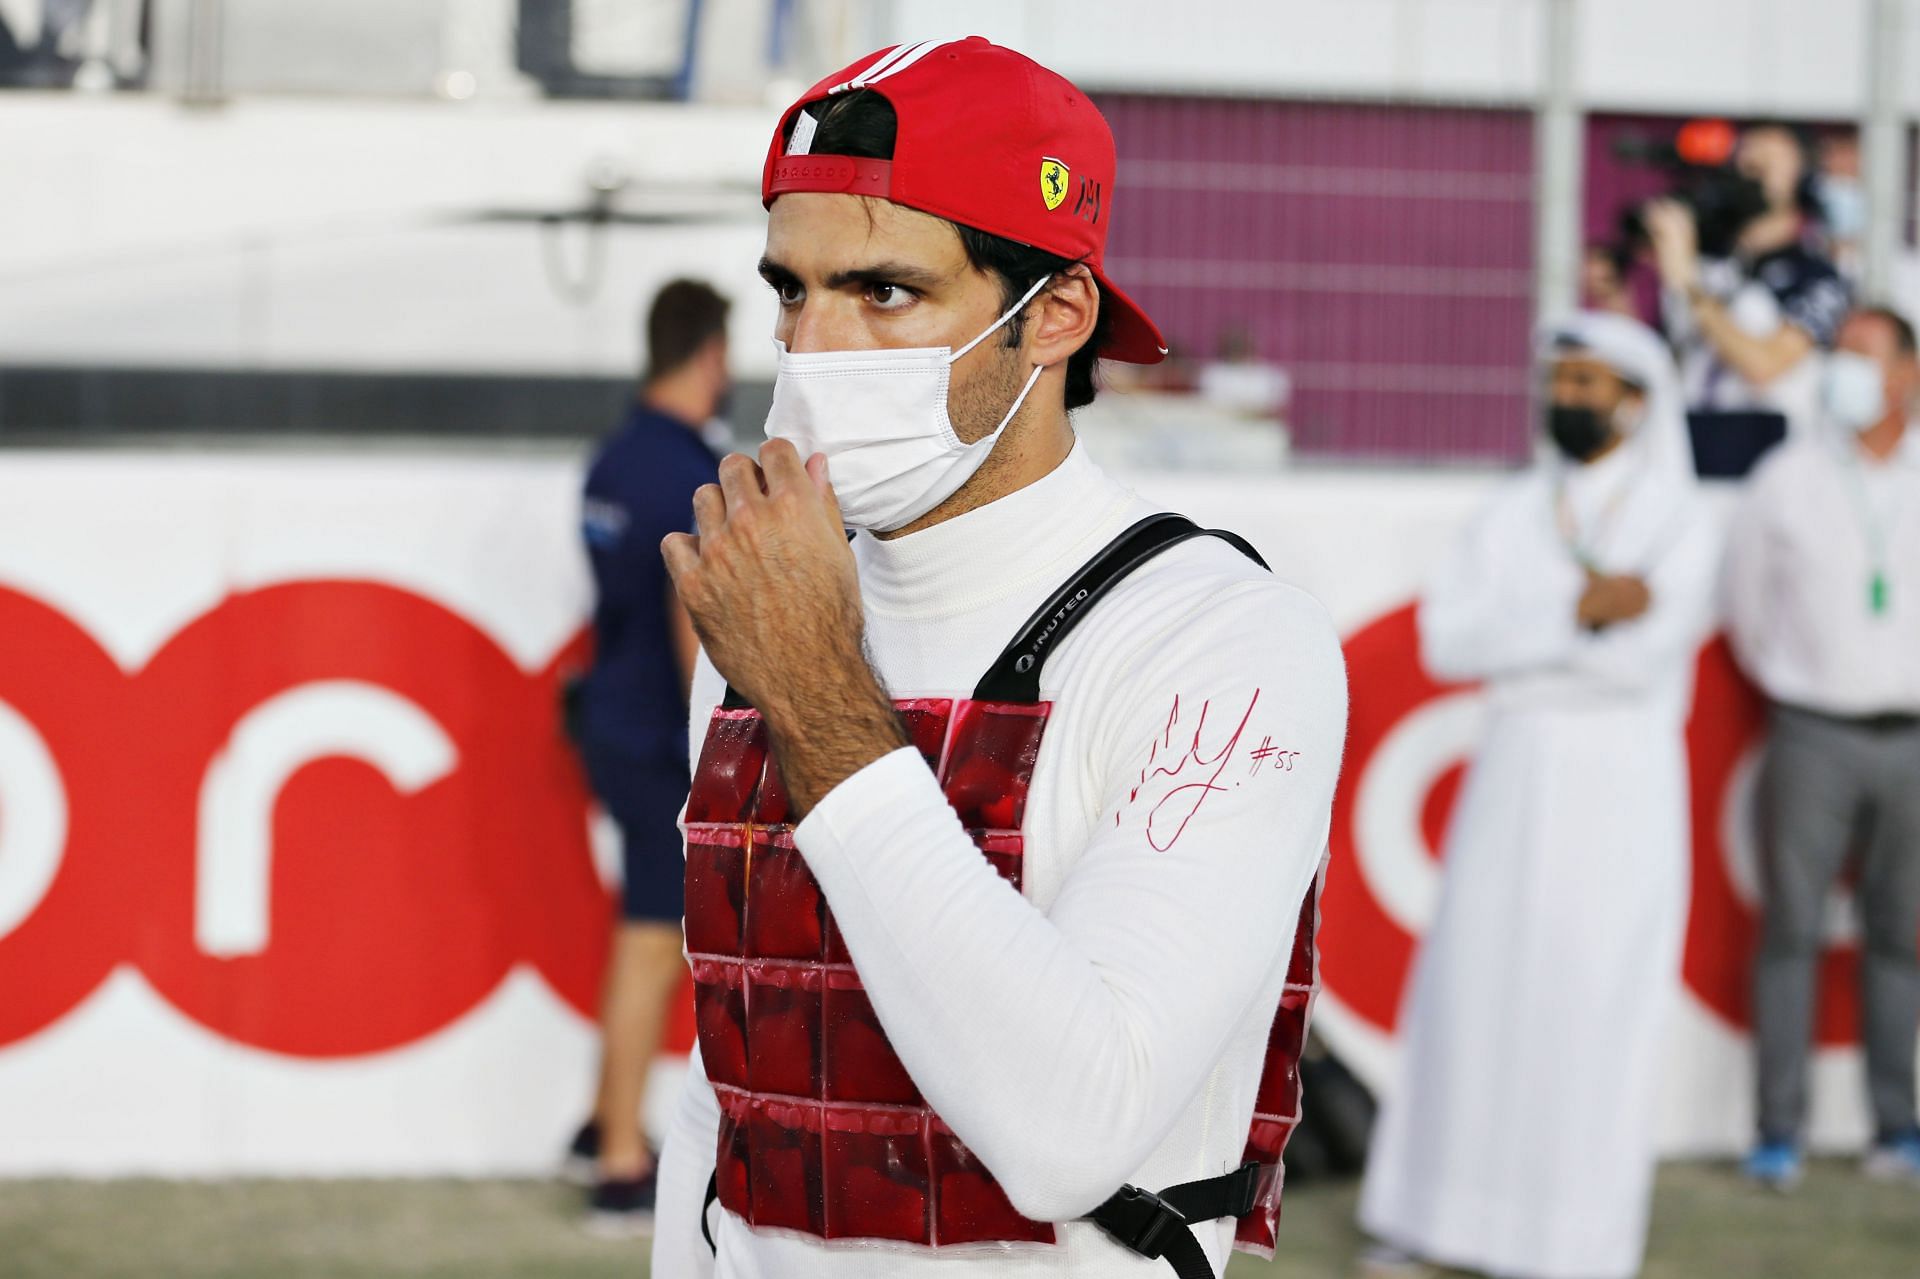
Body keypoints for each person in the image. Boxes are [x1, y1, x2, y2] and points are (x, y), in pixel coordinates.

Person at [650, 37, 1349, 1278]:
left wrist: (819, 696)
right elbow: (730, 1092)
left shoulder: (1225, 638)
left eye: (885, 293)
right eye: (792, 290)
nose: (813, 347)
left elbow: (1068, 1134)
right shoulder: (779, 599)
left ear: (1058, 315)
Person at [1358, 313, 1721, 1279]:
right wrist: (1573, 615)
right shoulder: (1514, 508)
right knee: (1475, 991)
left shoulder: (1680, 519)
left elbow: (1642, 664)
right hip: (1512, 777)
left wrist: (1537, 644)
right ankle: (1436, 1222)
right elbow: (1447, 642)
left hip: (1622, 786)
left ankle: (1569, 1246)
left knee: (1592, 1003)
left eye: (1586, 384)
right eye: (1558, 381)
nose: (1565, 399)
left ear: (1636, 403)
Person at [1723, 304, 1920, 1189]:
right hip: (1811, 732)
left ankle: (1896, 1125)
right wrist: (1801, 684)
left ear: (1908, 375)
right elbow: (1746, 608)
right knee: (1792, 932)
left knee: (1898, 936)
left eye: (1864, 356)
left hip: (1912, 734)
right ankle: (1779, 1129)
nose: (1845, 370)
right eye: (1838, 354)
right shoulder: (1789, 475)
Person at [565, 277, 729, 1234]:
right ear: (711, 353)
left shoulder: (611, 459)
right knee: (647, 942)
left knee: (645, 935)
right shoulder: (683, 470)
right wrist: (712, 737)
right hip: (659, 736)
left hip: (612, 724)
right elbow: (687, 613)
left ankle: (604, 1124)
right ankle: (621, 1158)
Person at [1648, 122, 1850, 441]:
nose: (1751, 173)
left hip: (1767, 456)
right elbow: (1664, 361)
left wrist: (1688, 284)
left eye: (1769, 163)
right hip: (1688, 446)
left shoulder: (1817, 276)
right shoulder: (1712, 265)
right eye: (1745, 161)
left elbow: (1763, 365)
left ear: (1803, 178)